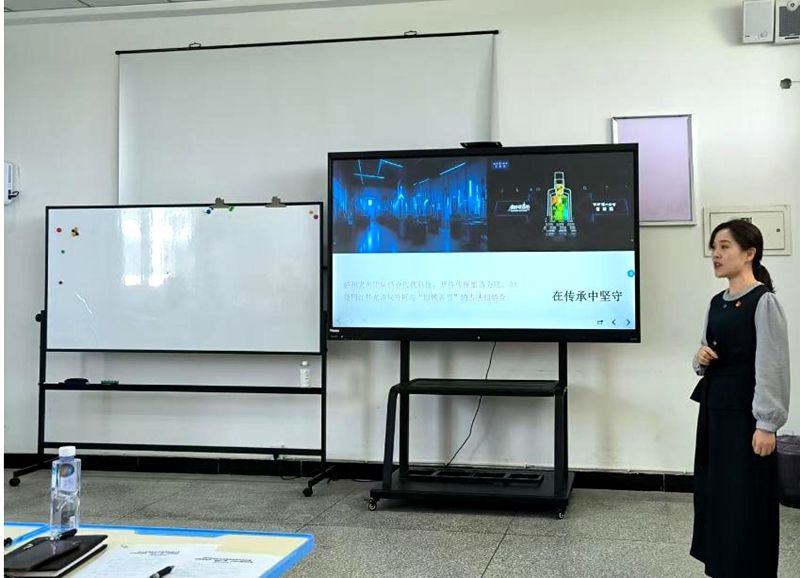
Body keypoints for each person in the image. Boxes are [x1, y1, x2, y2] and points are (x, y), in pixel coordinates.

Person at [690, 219, 790, 577]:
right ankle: (722, 567)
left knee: (745, 499)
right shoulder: (716, 302)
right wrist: (700, 358)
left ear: (749, 253)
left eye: (724, 247)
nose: (716, 255)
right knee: (716, 494)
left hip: (746, 418)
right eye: (713, 247)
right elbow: (705, 351)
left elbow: (773, 365)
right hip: (714, 413)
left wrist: (767, 424)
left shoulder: (764, 302)